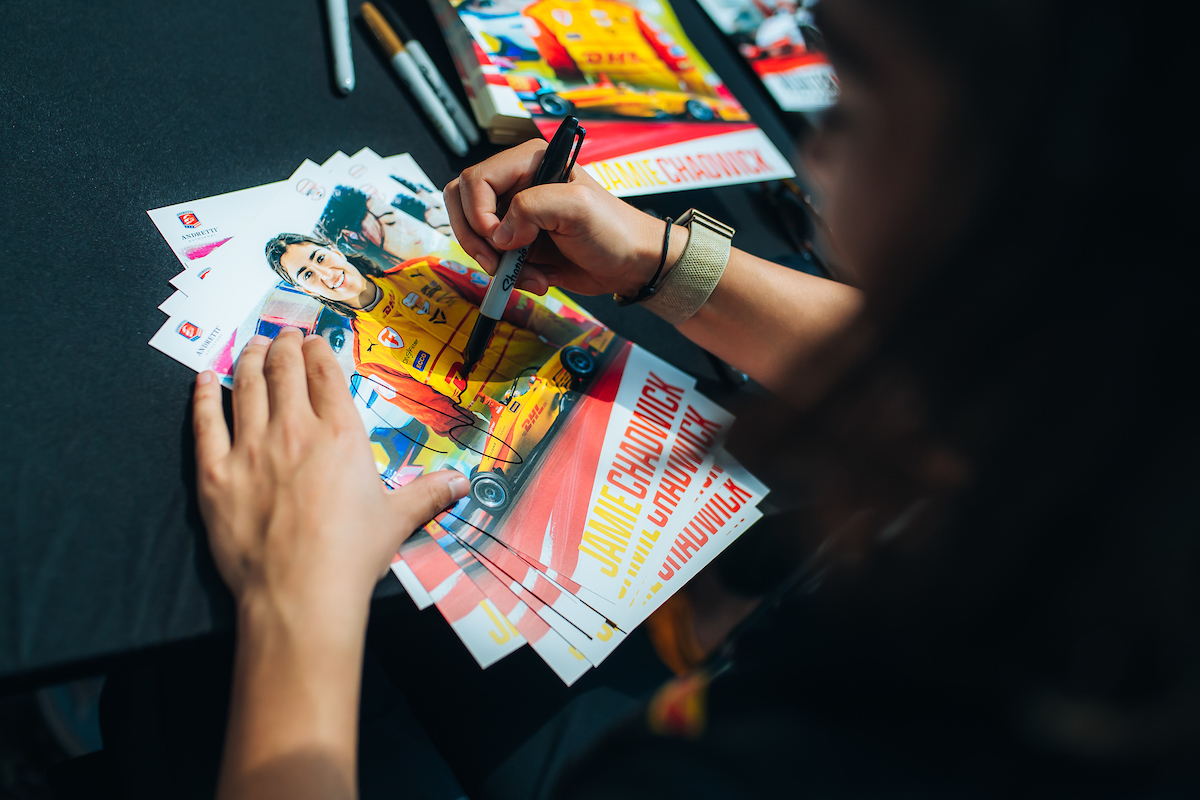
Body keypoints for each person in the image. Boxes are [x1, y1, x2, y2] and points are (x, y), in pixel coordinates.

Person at [191, 0, 1195, 797]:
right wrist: (657, 261)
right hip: (707, 670)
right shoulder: (1135, 412)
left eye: (846, 111)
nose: (819, 165)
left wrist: (298, 603)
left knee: (185, 690)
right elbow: (979, 379)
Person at [264, 233, 591, 439]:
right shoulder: (369, 360)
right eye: (307, 274)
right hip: (522, 417)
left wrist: (581, 338)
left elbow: (521, 307)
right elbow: (442, 417)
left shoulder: (425, 268)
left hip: (562, 364)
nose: (325, 274)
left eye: (319, 258)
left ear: (334, 250)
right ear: (304, 290)